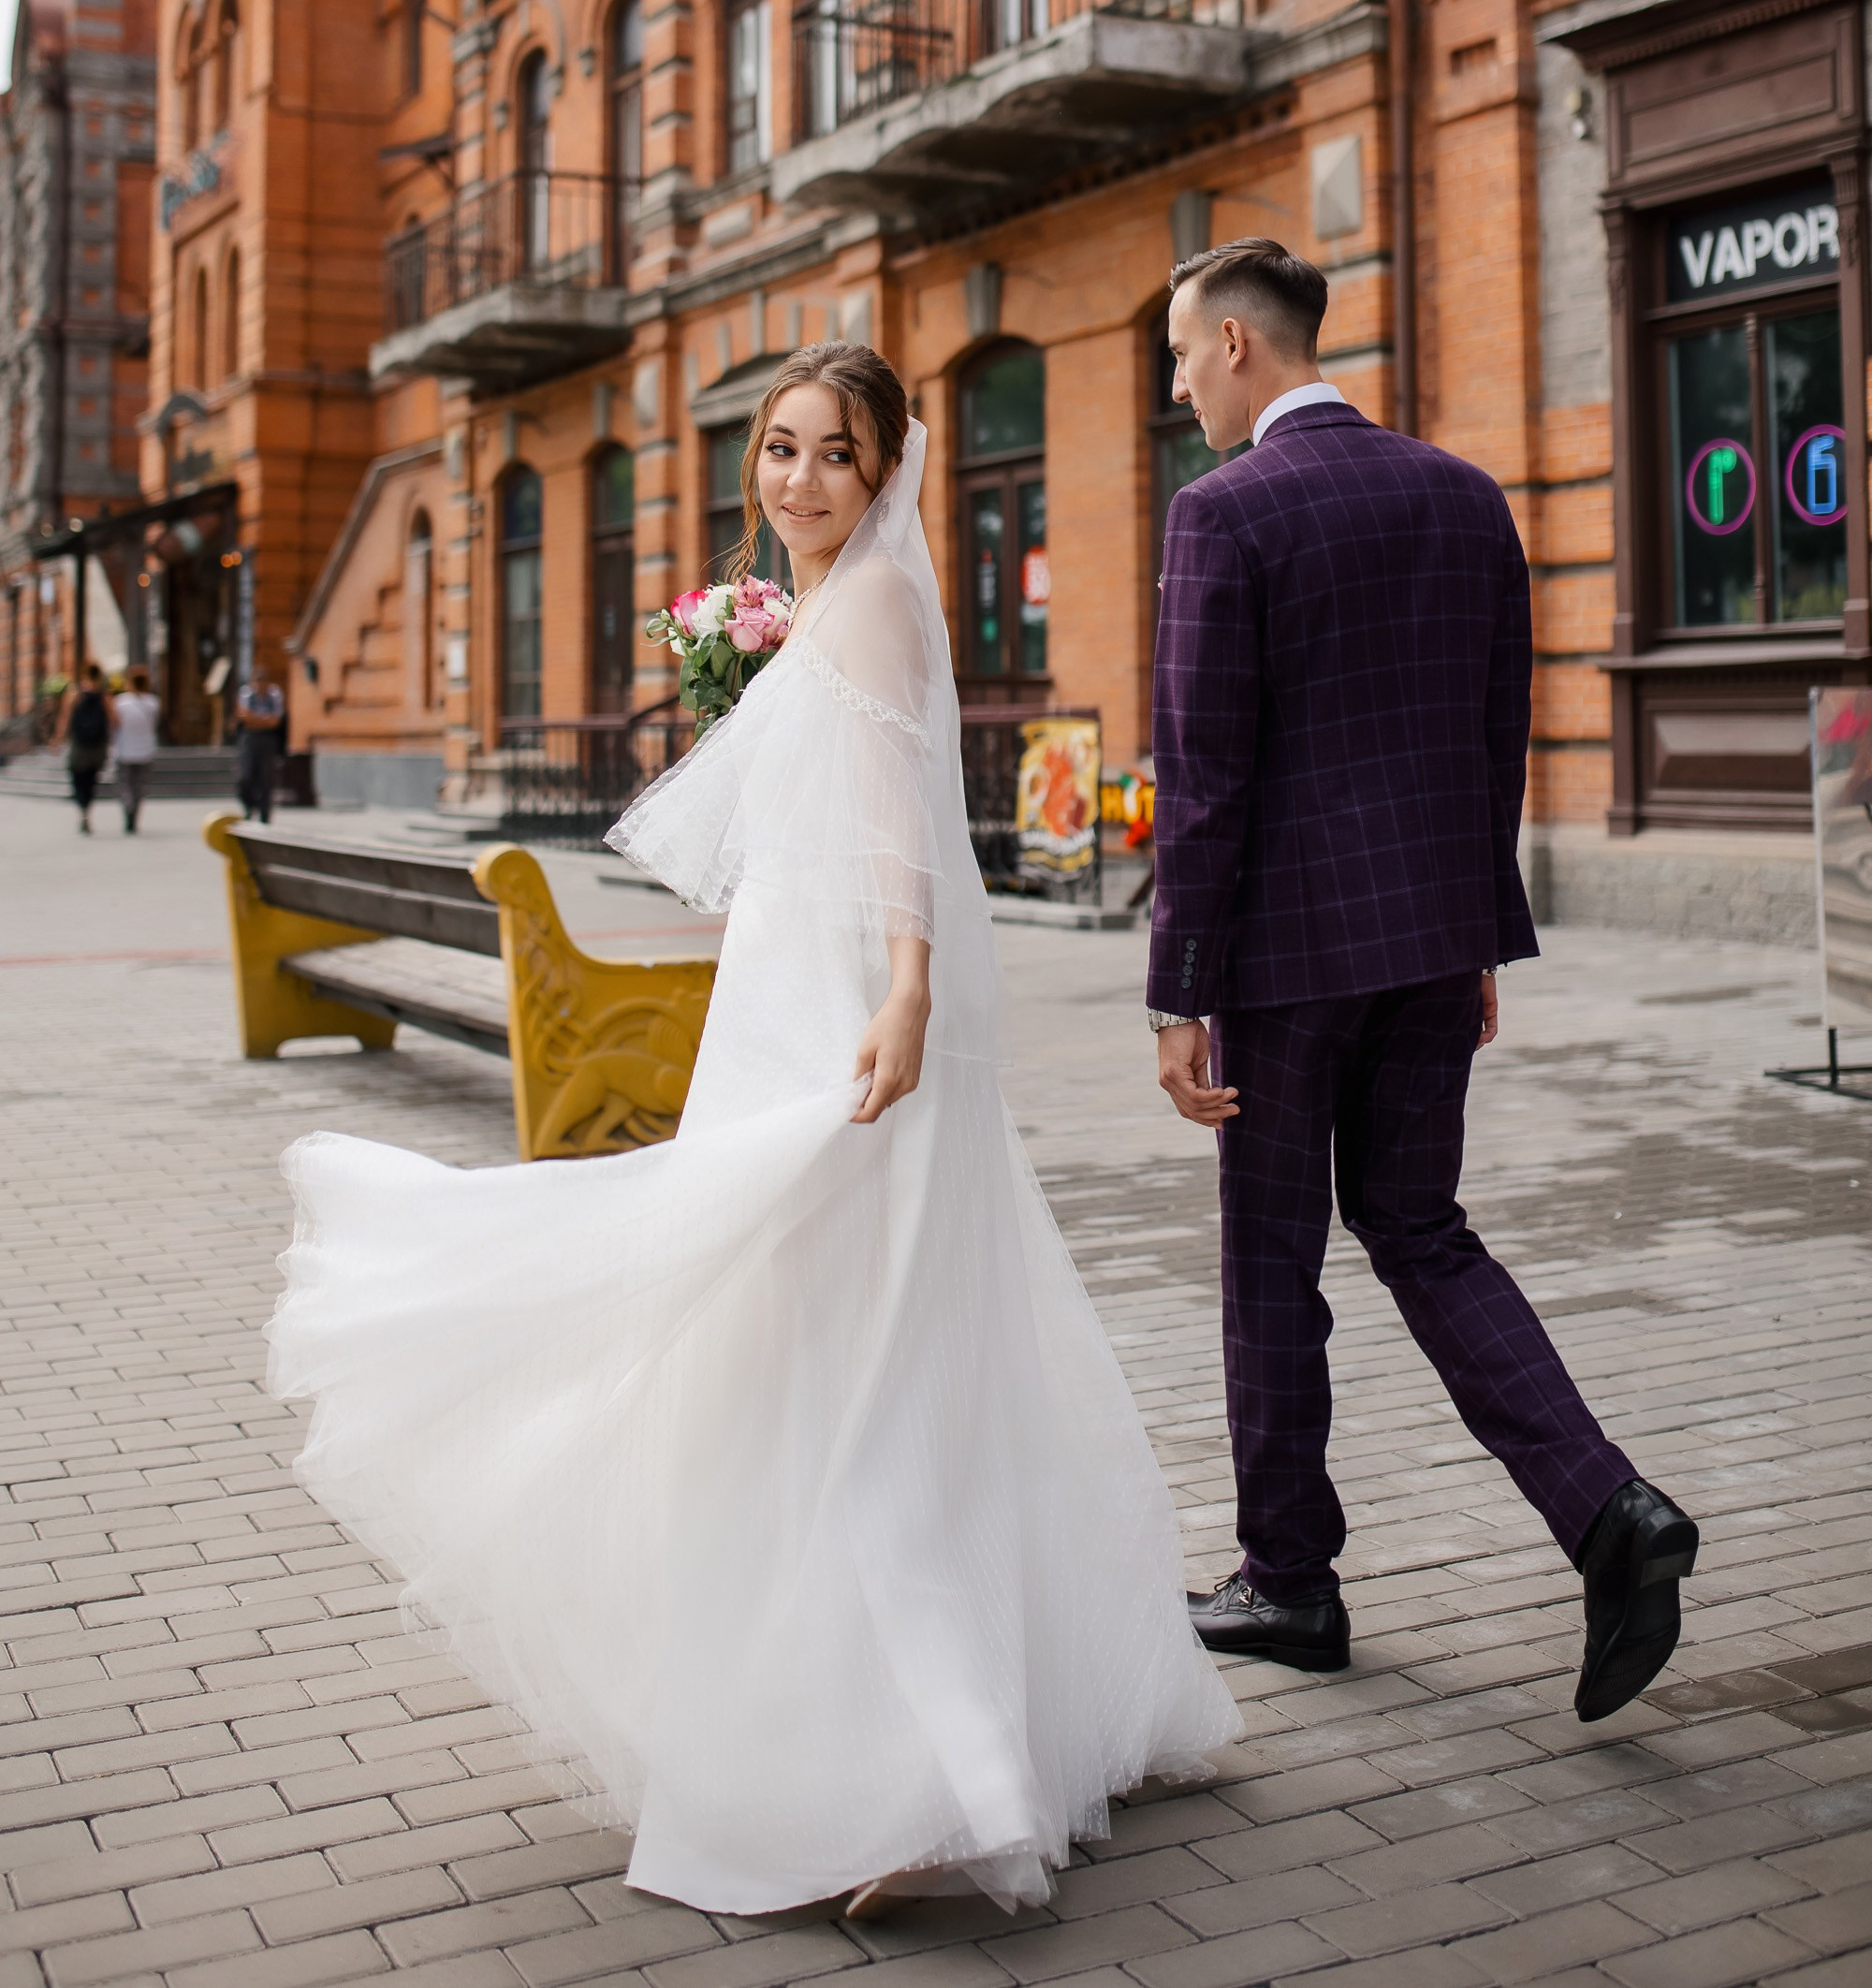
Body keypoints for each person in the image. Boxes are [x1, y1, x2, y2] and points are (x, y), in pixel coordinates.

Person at [267, 342, 1238, 1917]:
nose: (798, 480)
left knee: (853, 1356)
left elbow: (902, 814)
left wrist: (909, 988)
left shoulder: (869, 602)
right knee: (832, 1345)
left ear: (884, 470)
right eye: (779, 451)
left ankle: (933, 1782)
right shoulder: (837, 600)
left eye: (833, 456)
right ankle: (897, 1725)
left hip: (855, 1003)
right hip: (795, 988)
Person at [1148, 236, 1698, 1726]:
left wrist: (1175, 992)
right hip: (1429, 944)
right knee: (1421, 1229)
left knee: (1274, 1262)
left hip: (1276, 968)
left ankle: (1291, 1580)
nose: (1178, 378)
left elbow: (1204, 782)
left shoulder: (1222, 514)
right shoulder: (1466, 495)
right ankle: (1611, 1513)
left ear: (1244, 346)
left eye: (1185, 351)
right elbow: (1493, 736)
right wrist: (1473, 934)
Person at [57, 663, 111, 835]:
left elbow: (64, 719)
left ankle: (83, 810)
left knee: (78, 778)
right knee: (91, 779)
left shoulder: (75, 694)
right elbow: (115, 720)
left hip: (79, 745)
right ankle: (86, 809)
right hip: (97, 746)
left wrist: (57, 739)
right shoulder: (104, 696)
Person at [233, 665, 286, 822]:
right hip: (249, 739)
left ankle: (264, 814)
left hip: (268, 739)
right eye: (257, 681)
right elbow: (244, 717)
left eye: (263, 681)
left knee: (266, 777)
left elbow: (276, 721)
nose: (261, 685)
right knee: (245, 776)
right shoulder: (246, 693)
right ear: (252, 682)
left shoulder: (275, 694)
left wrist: (255, 719)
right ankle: (250, 806)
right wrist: (264, 719)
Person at [111, 665, 161, 833]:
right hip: (145, 750)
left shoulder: (120, 702)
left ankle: (128, 812)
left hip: (124, 749)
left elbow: (115, 724)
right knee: (140, 786)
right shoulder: (153, 702)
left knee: (126, 785)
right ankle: (134, 814)